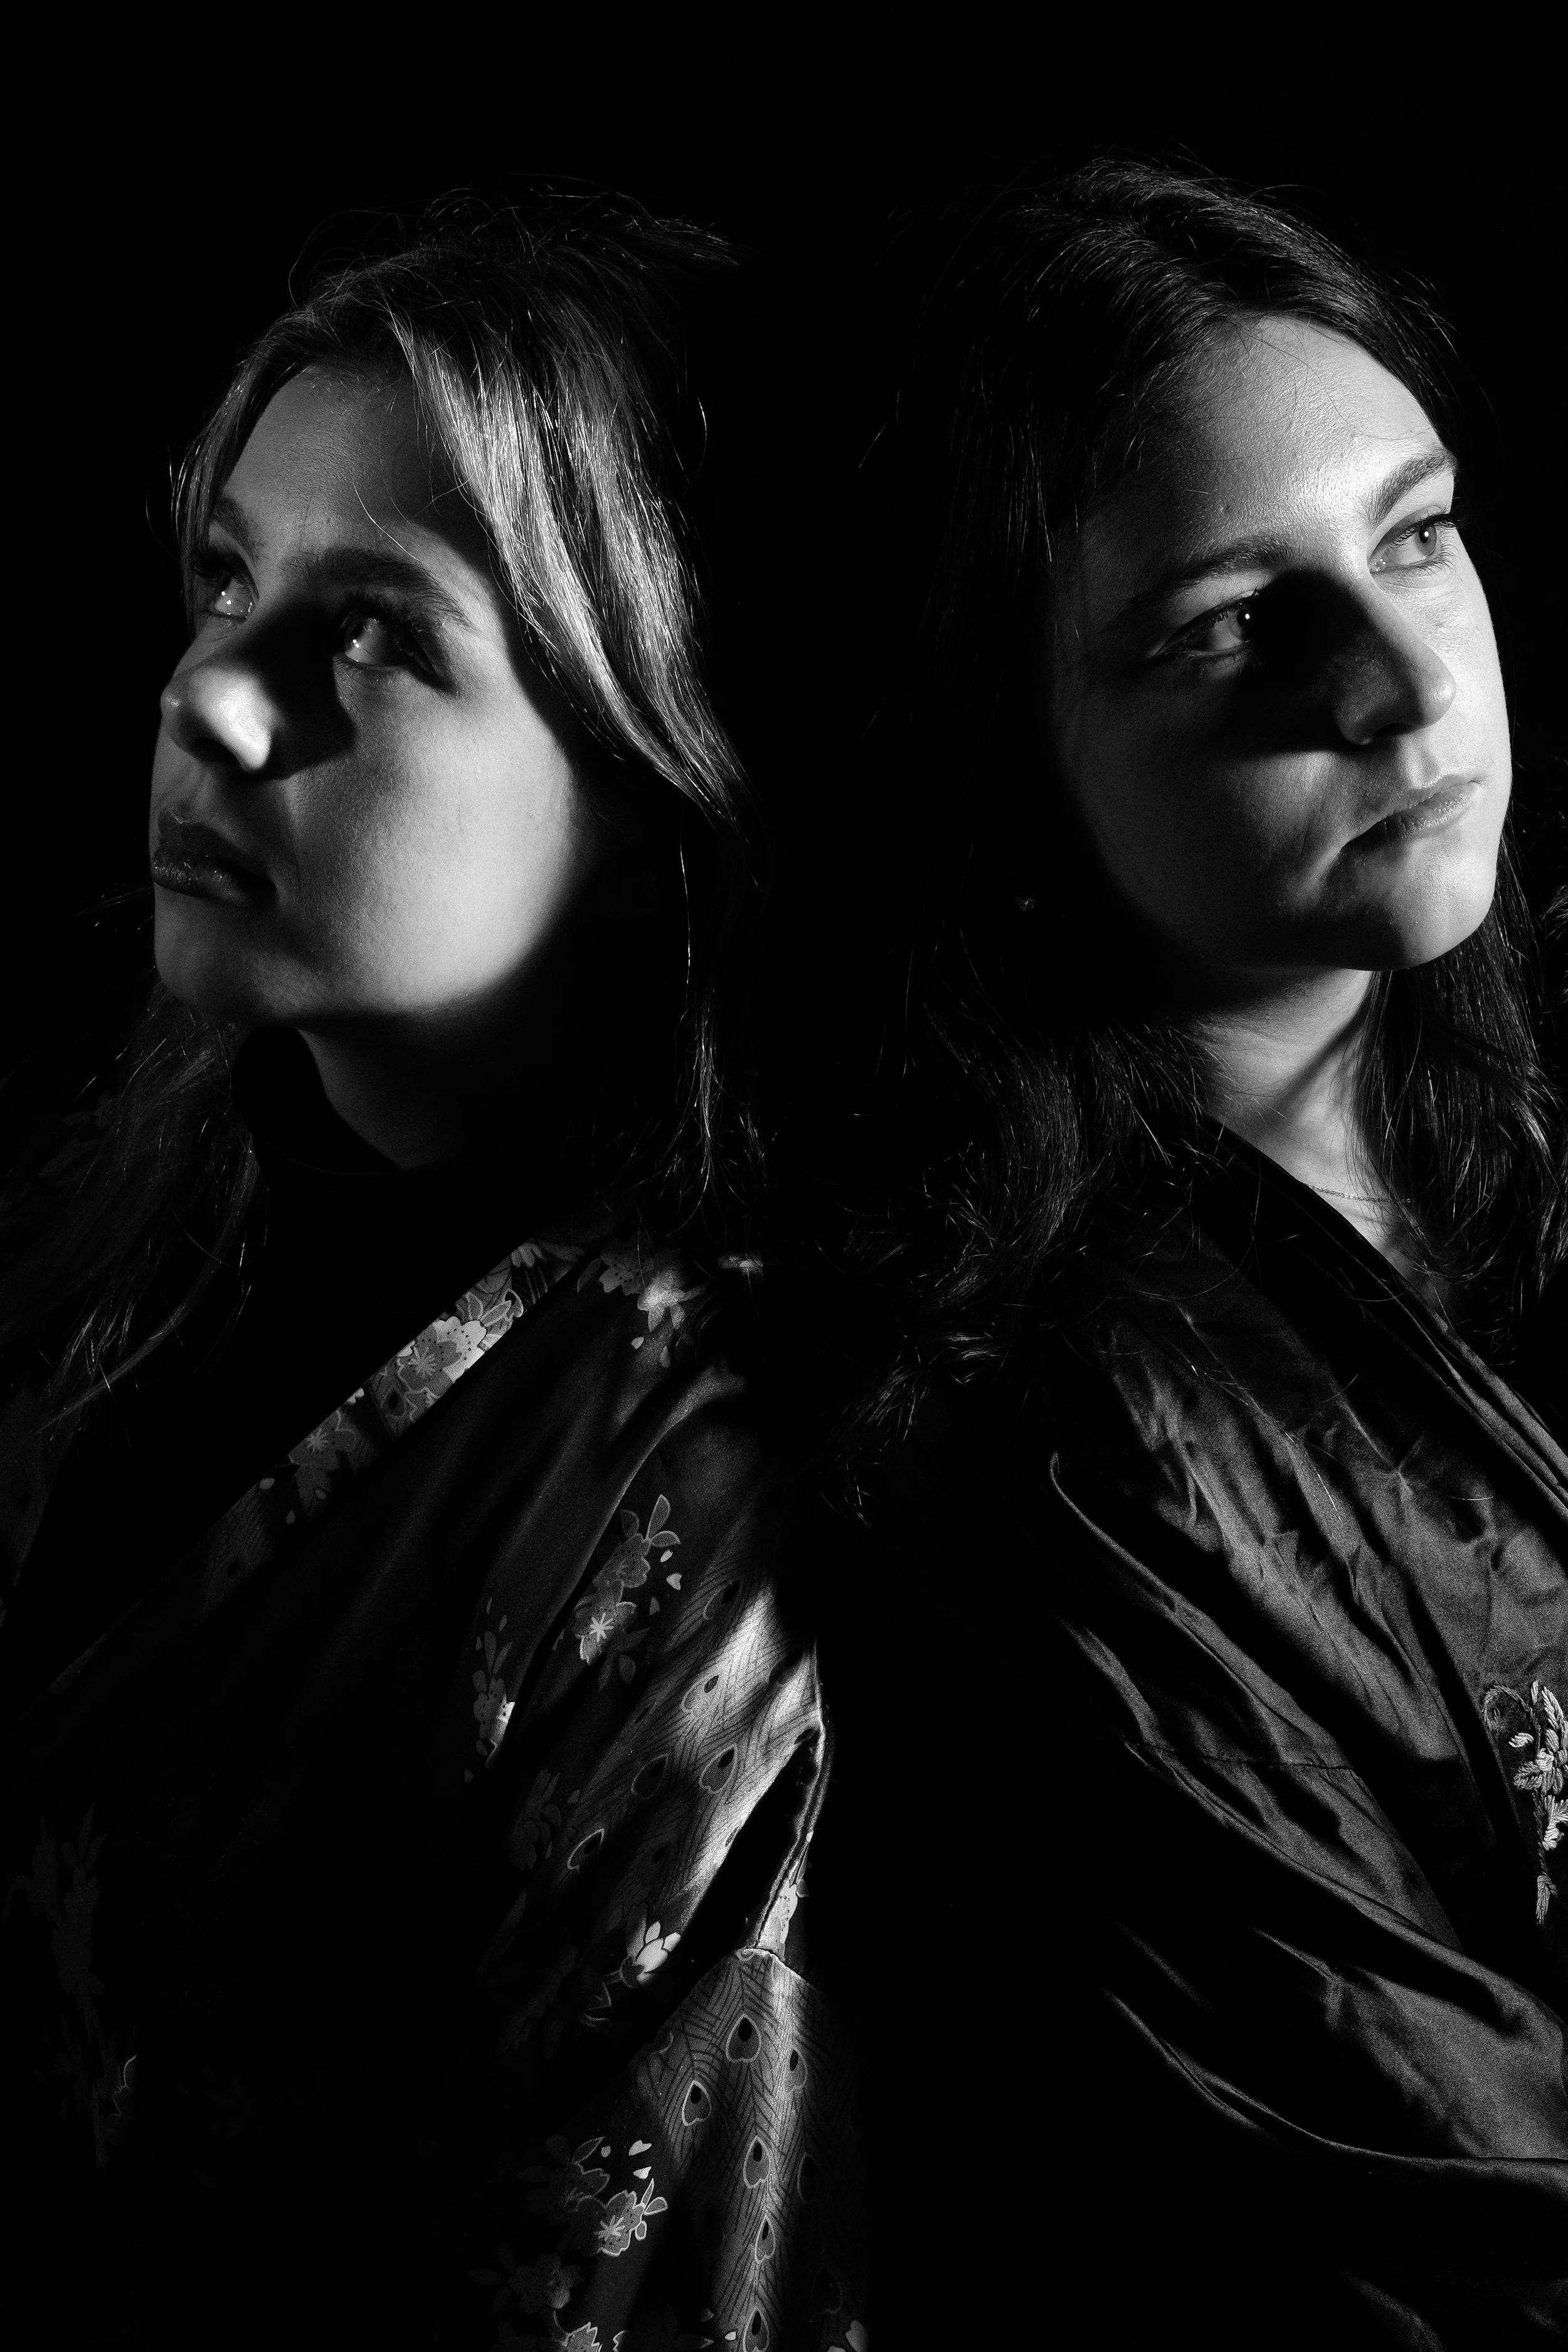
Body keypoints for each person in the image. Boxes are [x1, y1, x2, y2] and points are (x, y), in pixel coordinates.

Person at [0, 198, 867, 2350]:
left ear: (658, 773)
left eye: (376, 631)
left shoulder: (702, 1525)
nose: (207, 691)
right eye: (228, 577)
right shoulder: (111, 1228)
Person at [817, 163, 1567, 2346]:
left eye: (1414, 535)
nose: (1397, 681)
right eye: (1225, 624)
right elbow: (1460, 2219)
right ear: (1000, 760)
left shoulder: (1512, 1110)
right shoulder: (1051, 1439)